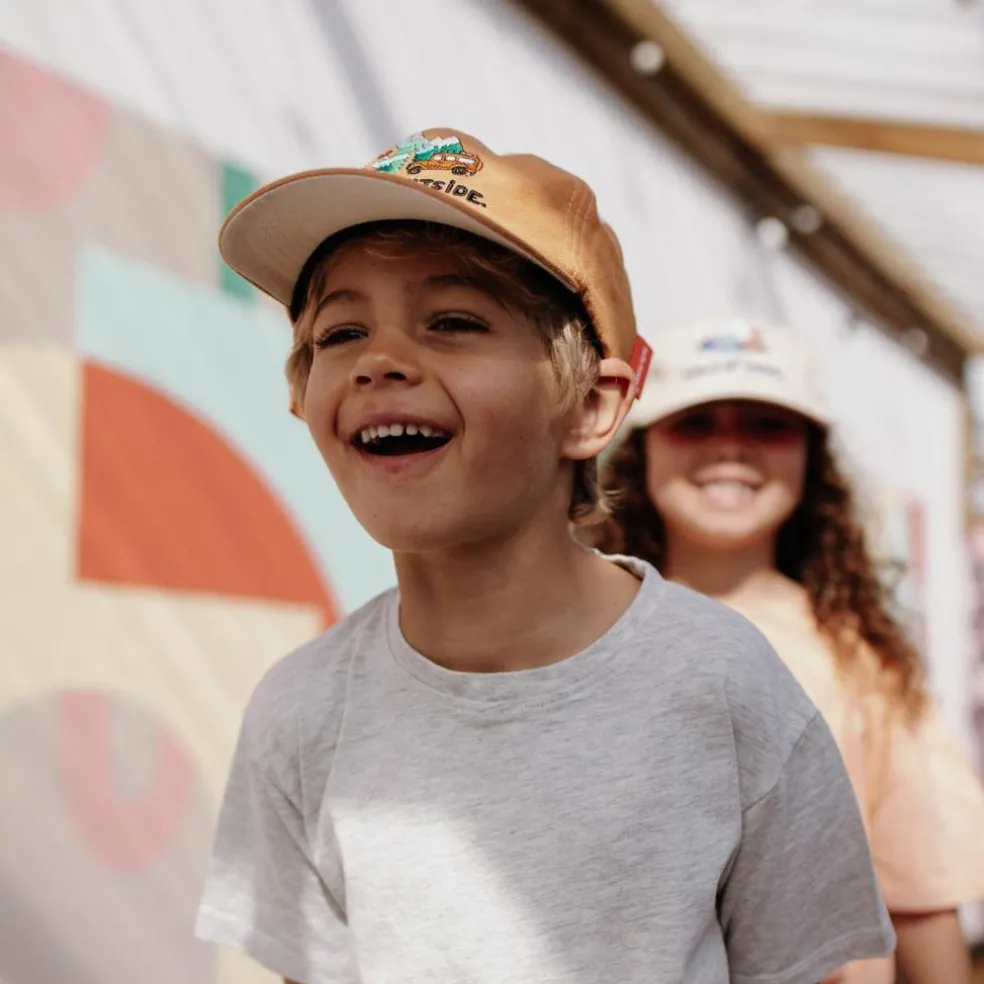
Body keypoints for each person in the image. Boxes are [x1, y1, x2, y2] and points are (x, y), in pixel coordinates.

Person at [195, 130, 895, 984]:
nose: (378, 361)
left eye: (453, 321)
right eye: (340, 332)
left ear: (593, 407)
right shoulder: (300, 711)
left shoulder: (724, 684)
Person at [594, 316, 984, 984]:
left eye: (766, 424)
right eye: (696, 423)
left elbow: (921, 895)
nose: (730, 448)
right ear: (642, 448)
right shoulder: (570, 634)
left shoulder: (863, 660)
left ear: (811, 456)